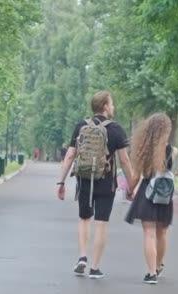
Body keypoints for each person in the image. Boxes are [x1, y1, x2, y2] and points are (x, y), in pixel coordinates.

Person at [57, 91, 133, 279]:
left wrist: (61, 181)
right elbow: (124, 161)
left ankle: (82, 256)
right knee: (101, 223)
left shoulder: (81, 126)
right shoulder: (116, 129)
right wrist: (132, 185)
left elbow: (70, 156)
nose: (113, 107)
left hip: (84, 179)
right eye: (112, 104)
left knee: (84, 218)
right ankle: (95, 267)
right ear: (105, 107)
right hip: (106, 182)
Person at [125, 113, 178, 284]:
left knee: (148, 233)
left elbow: (135, 176)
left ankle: (151, 273)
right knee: (162, 232)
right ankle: (158, 266)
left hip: (147, 194)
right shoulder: (173, 151)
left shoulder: (143, 151)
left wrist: (130, 190)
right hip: (164, 195)